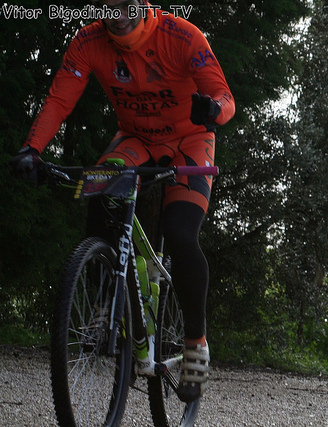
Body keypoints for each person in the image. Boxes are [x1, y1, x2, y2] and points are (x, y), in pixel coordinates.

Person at [8, 0, 235, 403]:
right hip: (135, 139)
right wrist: (33, 148)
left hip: (189, 139)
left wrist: (213, 109)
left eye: (126, 6)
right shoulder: (88, 41)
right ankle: (107, 300)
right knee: (99, 191)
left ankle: (196, 344)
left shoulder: (182, 35)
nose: (119, 17)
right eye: (108, 8)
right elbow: (59, 99)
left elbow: (224, 96)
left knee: (180, 233)